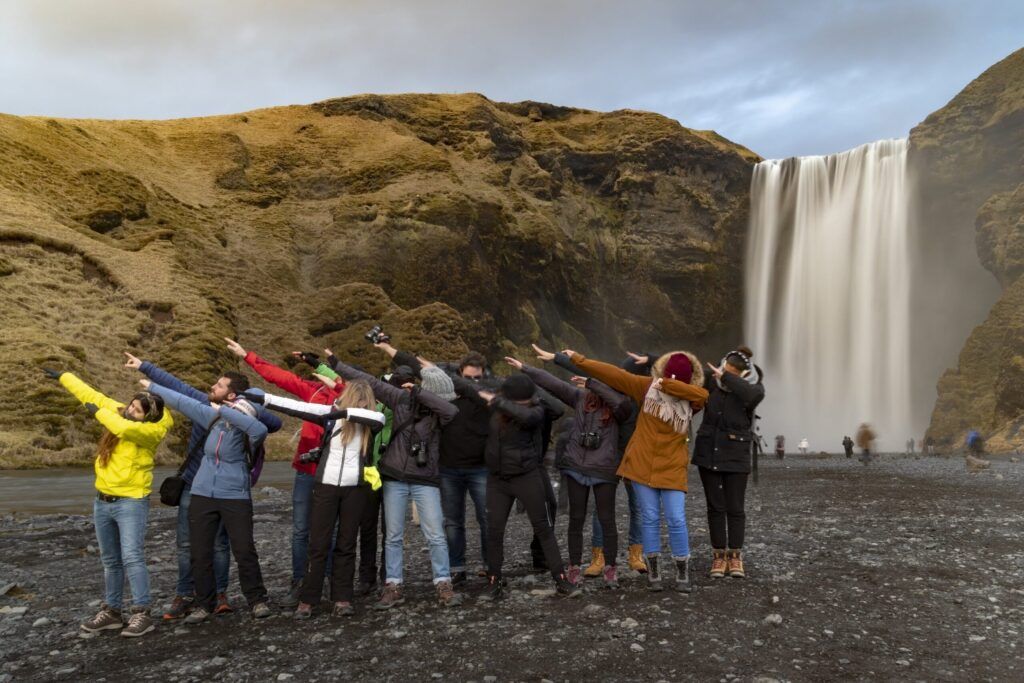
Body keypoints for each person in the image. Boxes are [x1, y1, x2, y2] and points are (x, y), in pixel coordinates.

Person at [123, 352, 282, 619]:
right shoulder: (210, 415)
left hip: (234, 494)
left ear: (233, 397)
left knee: (244, 550)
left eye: (220, 386)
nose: (212, 388)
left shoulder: (248, 428)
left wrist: (232, 411)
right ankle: (204, 603)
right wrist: (151, 386)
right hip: (201, 492)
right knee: (199, 551)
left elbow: (262, 429)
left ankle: (256, 600)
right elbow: (182, 399)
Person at [327, 350, 465, 609]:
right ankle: (393, 584)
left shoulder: (440, 412)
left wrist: (420, 393)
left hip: (425, 478)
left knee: (435, 534)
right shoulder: (400, 400)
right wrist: (337, 364)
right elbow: (370, 381)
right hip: (395, 477)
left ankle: (443, 582)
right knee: (393, 535)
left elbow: (451, 410)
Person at [564, 348, 708, 592]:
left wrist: (665, 384)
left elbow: (701, 393)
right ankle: (654, 573)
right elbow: (613, 374)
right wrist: (579, 360)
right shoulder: (645, 387)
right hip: (641, 464)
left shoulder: (693, 397)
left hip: (671, 466)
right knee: (650, 518)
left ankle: (682, 571)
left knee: (676, 518)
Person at [45, 367, 173, 637]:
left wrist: (98, 411)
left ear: (147, 416)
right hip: (103, 500)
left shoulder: (148, 432)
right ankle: (112, 612)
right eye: (131, 405)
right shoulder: (122, 413)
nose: (129, 410)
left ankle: (142, 614)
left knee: (132, 557)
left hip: (131, 502)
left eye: (137, 410)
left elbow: (119, 425)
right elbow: (93, 396)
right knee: (111, 560)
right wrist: (64, 377)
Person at [245, 382, 385, 618]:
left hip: (355, 489)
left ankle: (342, 598)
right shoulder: (329, 416)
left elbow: (377, 417)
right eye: (357, 398)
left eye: (364, 400)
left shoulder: (372, 420)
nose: (361, 403)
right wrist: (265, 398)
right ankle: (308, 600)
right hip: (326, 487)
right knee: (318, 545)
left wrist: (342, 411)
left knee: (346, 545)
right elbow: (294, 407)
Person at [224, 338, 345, 608]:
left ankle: (327, 580)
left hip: (334, 471)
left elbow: (351, 385)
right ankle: (300, 581)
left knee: (331, 530)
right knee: (301, 529)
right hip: (306, 469)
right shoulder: (311, 392)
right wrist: (247, 355)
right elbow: (280, 378)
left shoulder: (348, 395)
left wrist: (333, 380)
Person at [374, 341, 493, 585]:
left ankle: (490, 565)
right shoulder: (441, 395)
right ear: (460, 374)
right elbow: (419, 367)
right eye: (469, 377)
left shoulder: (486, 395)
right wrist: (387, 348)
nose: (474, 382)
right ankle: (456, 567)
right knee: (452, 522)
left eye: (478, 377)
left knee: (487, 519)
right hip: (448, 468)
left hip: (480, 467)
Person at [509, 355, 630, 588]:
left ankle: (610, 568)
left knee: (607, 520)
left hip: (604, 469)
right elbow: (554, 384)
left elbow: (621, 406)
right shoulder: (579, 398)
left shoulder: (620, 404)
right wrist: (525, 368)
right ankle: (574, 567)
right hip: (576, 467)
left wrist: (593, 383)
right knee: (576, 520)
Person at [461, 372, 580, 600]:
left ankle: (562, 580)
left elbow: (553, 409)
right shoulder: (496, 406)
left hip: (527, 475)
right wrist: (428, 367)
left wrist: (506, 398)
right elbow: (463, 385)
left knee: (543, 528)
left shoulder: (536, 410)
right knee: (494, 531)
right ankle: (494, 582)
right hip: (497, 479)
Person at [537, 344, 651, 576]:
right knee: (602, 510)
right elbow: (591, 371)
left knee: (637, 507)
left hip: (637, 457)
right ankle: (598, 556)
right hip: (608, 457)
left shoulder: (647, 393)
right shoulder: (609, 392)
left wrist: (650, 359)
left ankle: (635, 553)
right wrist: (557, 358)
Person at [692, 347, 765, 580]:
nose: (724, 373)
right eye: (725, 369)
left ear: (743, 373)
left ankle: (735, 555)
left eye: (733, 371)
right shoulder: (710, 382)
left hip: (736, 453)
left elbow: (753, 397)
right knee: (715, 507)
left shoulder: (753, 386)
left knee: (735, 508)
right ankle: (718, 556)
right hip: (708, 453)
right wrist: (652, 361)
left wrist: (726, 377)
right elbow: (686, 371)